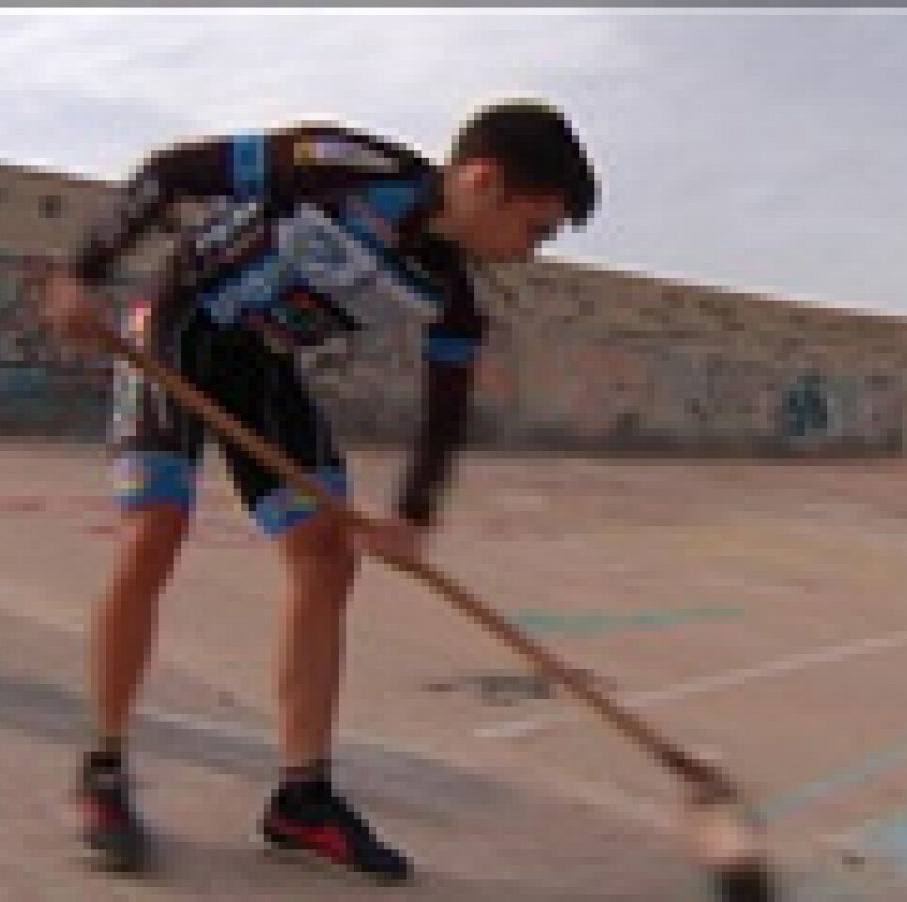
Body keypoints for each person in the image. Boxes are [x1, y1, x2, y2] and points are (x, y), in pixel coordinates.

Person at [42, 99, 597, 880]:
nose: (529, 252)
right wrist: (82, 271)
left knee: (328, 559)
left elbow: (445, 412)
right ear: (484, 181)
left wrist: (411, 517)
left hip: (263, 372)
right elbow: (173, 174)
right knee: (153, 534)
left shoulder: (453, 294)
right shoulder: (341, 167)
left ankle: (302, 800)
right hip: (176, 330)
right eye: (534, 229)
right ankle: (102, 774)